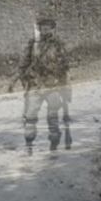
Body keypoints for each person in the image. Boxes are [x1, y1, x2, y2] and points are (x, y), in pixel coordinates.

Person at [10, 17, 71, 152]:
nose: (45, 29)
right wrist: (17, 79)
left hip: (52, 85)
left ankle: (54, 143)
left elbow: (65, 66)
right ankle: (29, 144)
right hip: (35, 84)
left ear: (52, 29)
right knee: (30, 115)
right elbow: (23, 63)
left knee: (53, 116)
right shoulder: (33, 44)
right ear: (39, 29)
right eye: (42, 27)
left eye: (48, 27)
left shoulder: (58, 45)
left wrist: (66, 87)